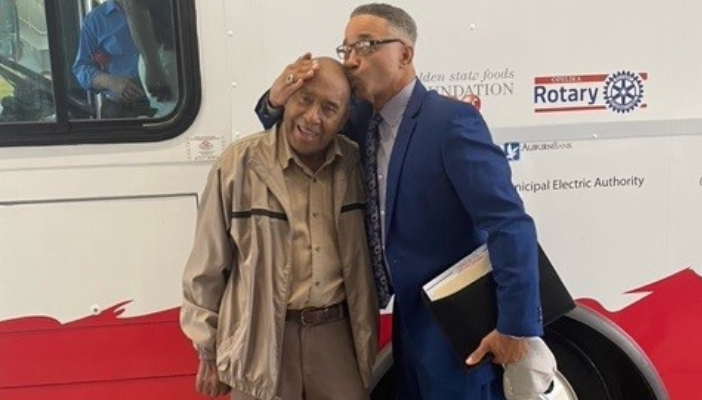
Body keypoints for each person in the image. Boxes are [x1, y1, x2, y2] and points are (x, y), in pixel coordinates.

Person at [255, 4, 542, 400]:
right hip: (405, 322)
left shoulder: (450, 122)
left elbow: (508, 223)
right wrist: (276, 97)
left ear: (404, 54)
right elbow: (293, 129)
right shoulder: (357, 121)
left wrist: (516, 325)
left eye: (366, 45)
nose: (352, 60)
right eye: (346, 49)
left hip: (457, 325)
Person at [181, 58, 378, 400]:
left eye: (329, 108)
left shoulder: (357, 166)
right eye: (305, 99)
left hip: (338, 339)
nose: (313, 117)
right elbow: (207, 268)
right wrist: (208, 350)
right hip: (261, 339)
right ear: (286, 99)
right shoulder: (238, 166)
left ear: (345, 119)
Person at [72, 0, 156, 118]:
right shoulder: (95, 20)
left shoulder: (162, 8)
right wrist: (110, 82)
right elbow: (81, 68)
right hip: (120, 110)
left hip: (171, 102)